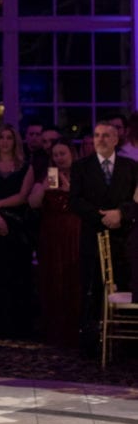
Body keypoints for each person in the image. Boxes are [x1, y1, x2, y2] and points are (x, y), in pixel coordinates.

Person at [69, 120, 137, 355]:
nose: (100, 139)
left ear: (116, 139)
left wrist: (120, 214)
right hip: (93, 235)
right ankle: (91, 343)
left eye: (106, 135)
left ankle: (126, 345)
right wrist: (101, 217)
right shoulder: (81, 167)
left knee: (125, 285)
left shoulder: (131, 167)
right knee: (92, 288)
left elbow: (135, 200)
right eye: (97, 135)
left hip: (124, 237)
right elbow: (75, 201)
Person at [0, 123, 35, 338]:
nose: (5, 142)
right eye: (2, 138)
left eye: (9, 138)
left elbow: (23, 196)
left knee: (17, 274)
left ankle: (18, 326)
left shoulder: (26, 166)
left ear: (15, 141)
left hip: (17, 226)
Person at [28, 138, 81, 348]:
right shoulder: (48, 176)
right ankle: (53, 330)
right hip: (51, 234)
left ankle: (74, 329)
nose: (59, 158)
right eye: (56, 155)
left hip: (74, 231)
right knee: (52, 277)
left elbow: (87, 203)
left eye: (63, 153)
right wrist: (43, 189)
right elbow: (33, 203)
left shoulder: (82, 174)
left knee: (73, 278)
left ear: (71, 154)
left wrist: (68, 188)